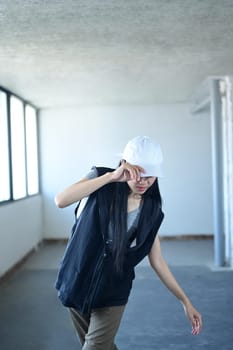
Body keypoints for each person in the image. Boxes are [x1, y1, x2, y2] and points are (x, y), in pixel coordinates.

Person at [54, 135, 202, 350]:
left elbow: (157, 261)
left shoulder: (152, 212)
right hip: (78, 280)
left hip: (113, 291)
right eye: (137, 174)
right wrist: (111, 177)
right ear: (125, 165)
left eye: (150, 176)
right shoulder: (100, 179)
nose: (143, 181)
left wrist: (185, 301)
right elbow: (61, 200)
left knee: (94, 347)